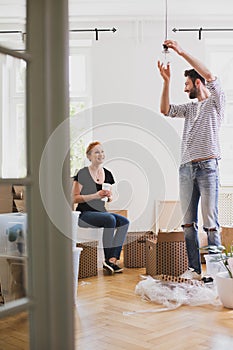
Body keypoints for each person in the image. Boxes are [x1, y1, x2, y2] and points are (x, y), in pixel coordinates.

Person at [157, 40, 225, 280]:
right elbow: (165, 110)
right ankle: (195, 271)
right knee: (188, 224)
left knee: (211, 223)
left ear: (197, 82)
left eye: (186, 84)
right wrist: (166, 81)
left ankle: (216, 272)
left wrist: (180, 51)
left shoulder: (216, 102)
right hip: (186, 169)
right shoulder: (189, 109)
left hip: (208, 168)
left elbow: (210, 74)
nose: (185, 89)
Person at [72, 141, 129, 275]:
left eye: (102, 151)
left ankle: (113, 259)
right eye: (97, 152)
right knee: (110, 219)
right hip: (84, 214)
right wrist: (95, 195)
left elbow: (110, 197)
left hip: (101, 214)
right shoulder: (83, 173)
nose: (101, 154)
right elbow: (74, 198)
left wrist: (109, 197)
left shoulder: (108, 174)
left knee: (124, 222)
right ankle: (108, 261)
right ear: (89, 156)